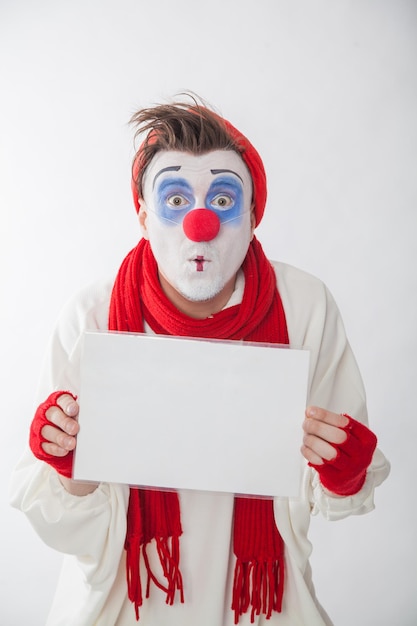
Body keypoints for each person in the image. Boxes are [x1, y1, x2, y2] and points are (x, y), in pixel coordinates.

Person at [10, 96, 390, 626]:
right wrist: (71, 468)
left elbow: (333, 486)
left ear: (254, 217)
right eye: (174, 200)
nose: (200, 224)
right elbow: (53, 515)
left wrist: (344, 473)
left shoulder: (304, 306)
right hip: (123, 606)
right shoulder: (92, 316)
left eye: (223, 199)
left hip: (264, 606)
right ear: (142, 216)